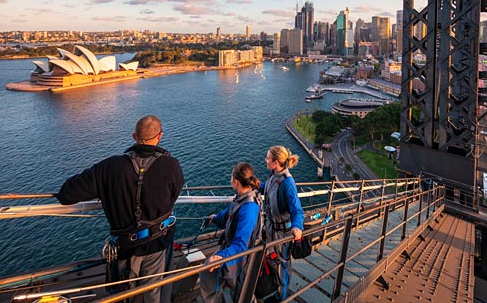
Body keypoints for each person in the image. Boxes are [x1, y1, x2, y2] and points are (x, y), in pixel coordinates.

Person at [56, 115, 185, 303]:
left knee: (126, 295)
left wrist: (106, 189)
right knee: (154, 292)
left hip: (125, 247)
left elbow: (66, 195)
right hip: (158, 243)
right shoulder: (171, 165)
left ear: (134, 136)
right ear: (160, 136)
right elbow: (174, 196)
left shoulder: (109, 167)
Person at [199, 162, 262, 303]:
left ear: (236, 182)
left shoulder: (249, 209)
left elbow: (242, 244)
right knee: (239, 291)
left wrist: (222, 256)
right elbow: (227, 215)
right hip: (233, 251)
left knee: (241, 292)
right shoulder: (242, 198)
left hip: (240, 257)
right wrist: (214, 219)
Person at [260, 145, 304, 300]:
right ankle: (275, 290)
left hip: (281, 234)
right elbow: (268, 188)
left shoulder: (288, 183)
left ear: (276, 162)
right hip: (271, 229)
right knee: (274, 262)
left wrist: (297, 227)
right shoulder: (274, 175)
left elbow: (297, 210)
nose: (265, 160)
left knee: (283, 265)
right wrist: (255, 186)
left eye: (268, 158)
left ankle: (282, 297)